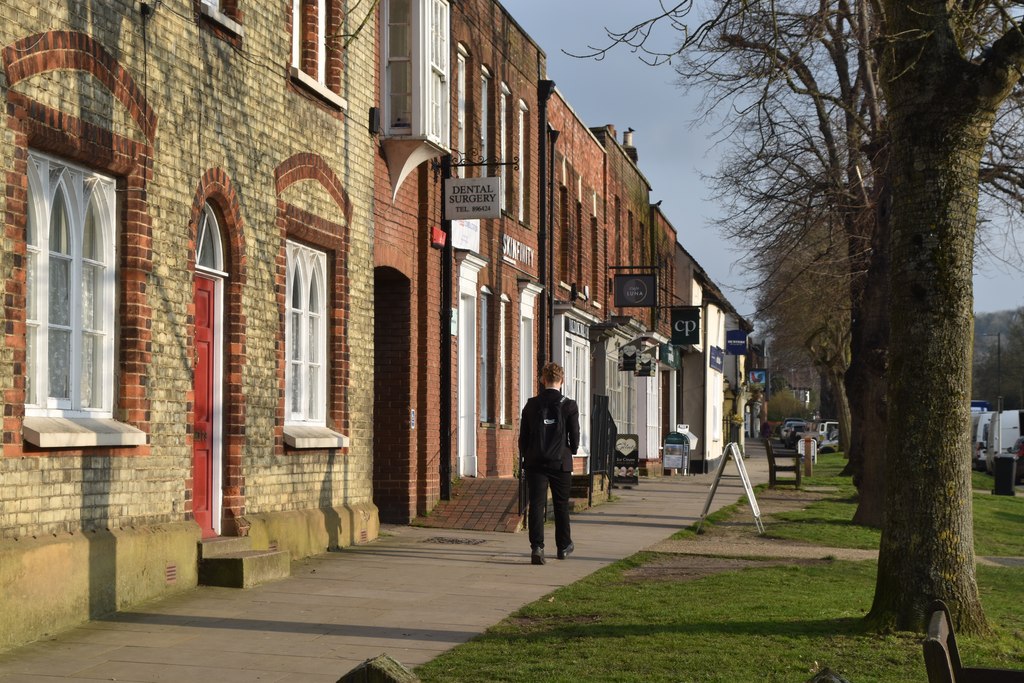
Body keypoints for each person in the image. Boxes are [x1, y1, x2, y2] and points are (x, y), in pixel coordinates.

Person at [519, 362, 579, 565]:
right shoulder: (569, 405)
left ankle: (537, 547)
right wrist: (572, 451)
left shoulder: (531, 404)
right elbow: (575, 435)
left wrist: (527, 455)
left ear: (542, 380)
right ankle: (563, 547)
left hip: (535, 462)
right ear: (562, 381)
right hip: (561, 463)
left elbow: (523, 438)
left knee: (536, 505)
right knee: (561, 505)